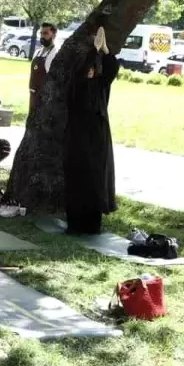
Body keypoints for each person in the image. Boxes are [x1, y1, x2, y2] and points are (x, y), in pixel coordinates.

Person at [63, 28, 119, 235]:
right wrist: (92, 52)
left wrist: (104, 50)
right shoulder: (76, 87)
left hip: (98, 139)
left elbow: (112, 69)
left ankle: (92, 225)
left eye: (92, 69)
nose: (90, 71)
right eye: (87, 68)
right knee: (78, 181)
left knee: (96, 181)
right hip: (77, 140)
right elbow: (80, 76)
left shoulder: (100, 86)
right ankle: (75, 224)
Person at [28, 22, 59, 113]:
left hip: (46, 99)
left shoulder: (56, 54)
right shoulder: (37, 52)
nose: (42, 36)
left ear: (54, 35)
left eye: (45, 33)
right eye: (41, 33)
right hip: (33, 96)